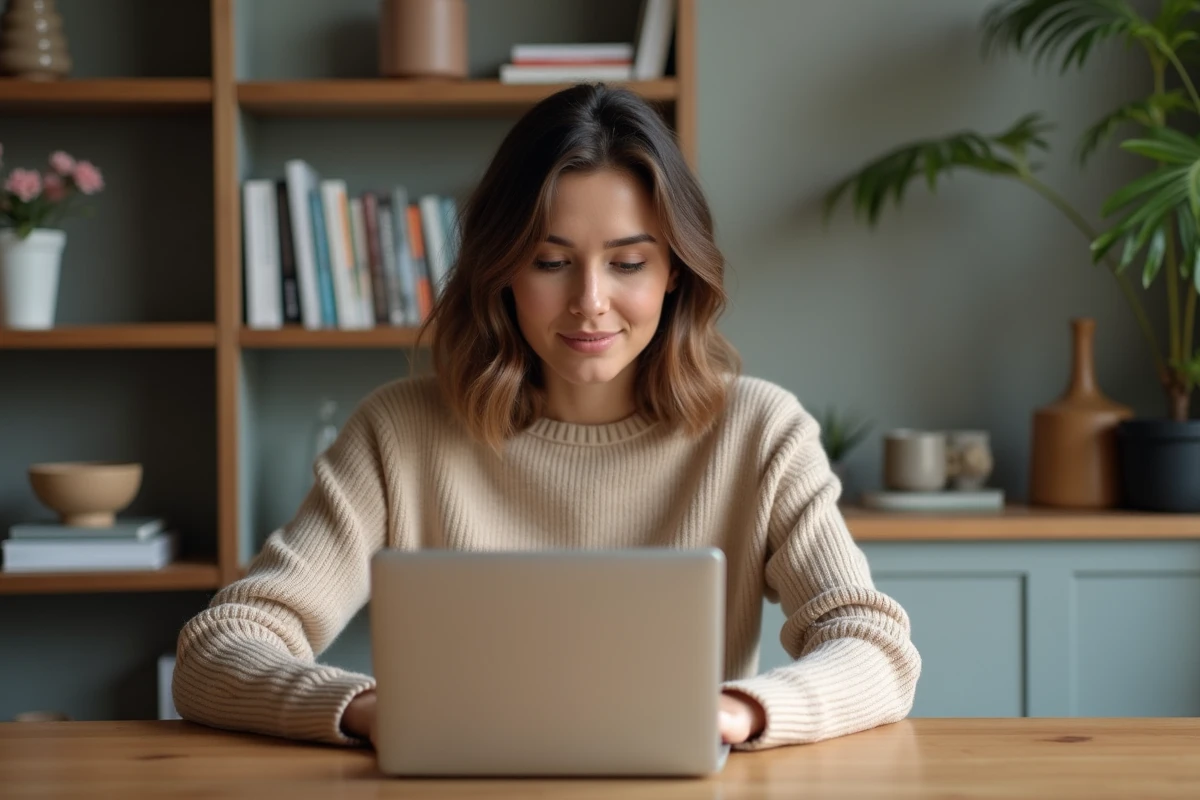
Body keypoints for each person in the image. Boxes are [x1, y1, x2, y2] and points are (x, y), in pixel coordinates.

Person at [173, 82, 921, 751]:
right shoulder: (399, 431)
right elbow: (217, 650)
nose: (589, 301)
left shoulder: (760, 433)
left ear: (675, 274)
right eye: (550, 260)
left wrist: (736, 713)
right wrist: (368, 709)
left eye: (628, 263)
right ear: (500, 271)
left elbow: (874, 647)